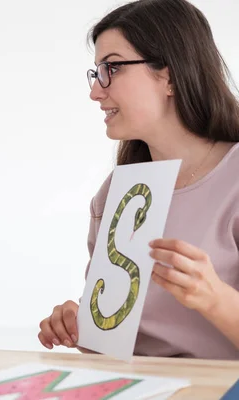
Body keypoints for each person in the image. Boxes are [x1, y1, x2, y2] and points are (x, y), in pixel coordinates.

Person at [38, 0, 239, 359]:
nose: (96, 91)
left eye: (112, 68)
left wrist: (214, 298)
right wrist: (81, 324)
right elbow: (112, 344)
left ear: (171, 76)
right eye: (97, 71)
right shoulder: (116, 193)